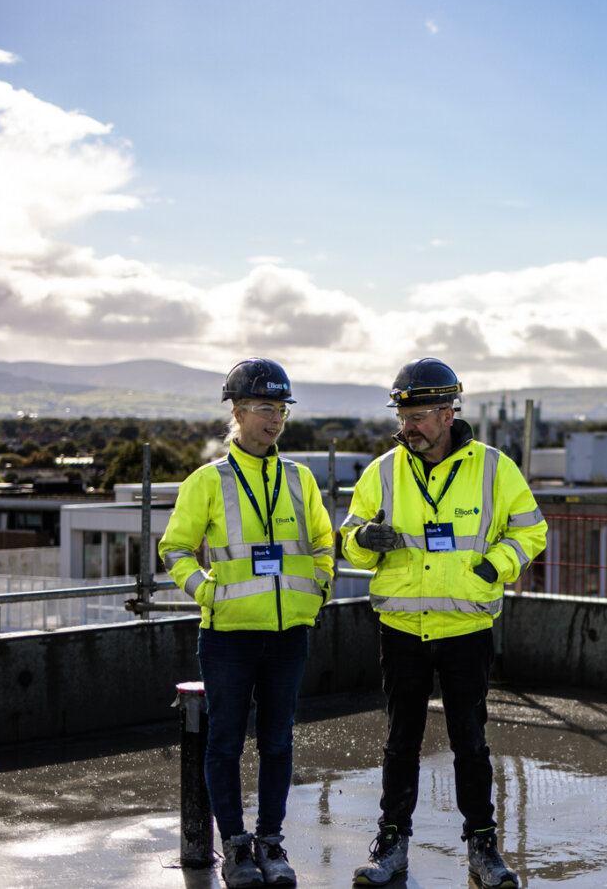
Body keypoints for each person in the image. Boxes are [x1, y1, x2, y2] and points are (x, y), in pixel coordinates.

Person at [339, 357, 546, 889]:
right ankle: (392, 844)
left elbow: (531, 532)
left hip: (465, 631)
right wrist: (362, 541)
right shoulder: (382, 470)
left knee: (470, 744)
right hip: (402, 630)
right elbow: (348, 534)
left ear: (450, 412)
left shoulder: (495, 468)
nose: (410, 425)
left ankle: (483, 845)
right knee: (399, 741)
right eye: (404, 414)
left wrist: (492, 566)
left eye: (422, 414)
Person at [158, 358, 336, 889]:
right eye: (264, 408)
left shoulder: (300, 478)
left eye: (281, 409)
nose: (275, 419)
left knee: (278, 741)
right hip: (228, 637)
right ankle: (235, 848)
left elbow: (325, 543)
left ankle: (271, 843)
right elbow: (174, 549)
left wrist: (320, 588)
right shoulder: (206, 481)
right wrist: (209, 592)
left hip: (288, 635)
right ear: (237, 413)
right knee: (226, 744)